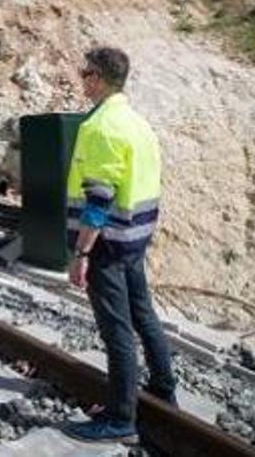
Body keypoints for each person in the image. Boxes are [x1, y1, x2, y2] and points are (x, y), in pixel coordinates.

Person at [62, 47, 177, 444]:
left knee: (118, 331)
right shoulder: (139, 124)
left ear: (96, 78)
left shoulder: (100, 128)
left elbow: (98, 200)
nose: (81, 79)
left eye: (84, 73)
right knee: (144, 315)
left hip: (107, 245)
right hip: (134, 240)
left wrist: (82, 254)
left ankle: (120, 418)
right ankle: (163, 390)